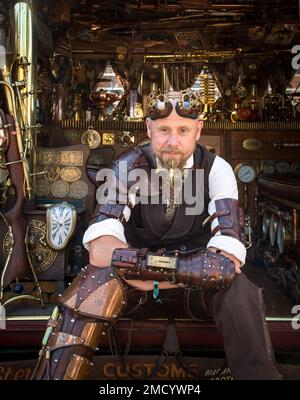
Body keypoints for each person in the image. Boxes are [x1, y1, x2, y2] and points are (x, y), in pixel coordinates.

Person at [32, 90, 281, 380]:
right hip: (135, 293)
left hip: (192, 292)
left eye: (183, 130)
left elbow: (227, 264)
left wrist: (138, 267)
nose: (172, 142)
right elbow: (100, 252)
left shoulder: (217, 169)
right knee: (92, 282)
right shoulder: (127, 167)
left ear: (198, 130)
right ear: (149, 129)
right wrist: (186, 268)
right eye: (163, 130)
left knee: (239, 289)